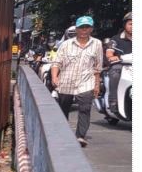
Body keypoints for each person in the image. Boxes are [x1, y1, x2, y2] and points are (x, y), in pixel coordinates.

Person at [51, 16, 104, 147]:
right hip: (66, 82)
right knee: (63, 108)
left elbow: (97, 66)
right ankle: (63, 133)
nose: (84, 30)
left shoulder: (97, 44)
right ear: (76, 29)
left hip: (86, 82)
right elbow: (56, 62)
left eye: (87, 27)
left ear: (91, 29)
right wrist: (54, 77)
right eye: (81, 27)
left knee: (85, 109)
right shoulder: (66, 45)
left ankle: (80, 136)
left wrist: (96, 85)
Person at [103, 12, 132, 114]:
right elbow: (109, 52)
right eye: (130, 24)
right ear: (125, 25)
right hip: (122, 65)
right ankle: (113, 101)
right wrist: (112, 57)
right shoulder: (116, 39)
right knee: (115, 70)